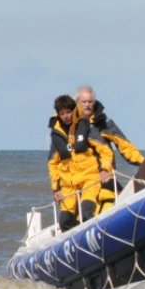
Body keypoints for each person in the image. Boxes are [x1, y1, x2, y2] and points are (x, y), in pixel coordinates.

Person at [48, 94, 114, 231]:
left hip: (89, 179)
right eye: (62, 113)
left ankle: (99, 237)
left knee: (87, 212)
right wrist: (56, 188)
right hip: (69, 185)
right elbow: (52, 163)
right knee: (65, 222)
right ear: (58, 115)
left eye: (68, 112)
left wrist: (104, 169)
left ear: (73, 111)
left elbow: (105, 150)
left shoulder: (85, 127)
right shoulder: (56, 135)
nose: (66, 116)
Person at [76, 85, 144, 211]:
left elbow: (125, 146)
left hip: (105, 177)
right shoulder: (71, 126)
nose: (87, 105)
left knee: (120, 204)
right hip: (82, 183)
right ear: (77, 103)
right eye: (83, 102)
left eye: (90, 102)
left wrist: (144, 162)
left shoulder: (104, 123)